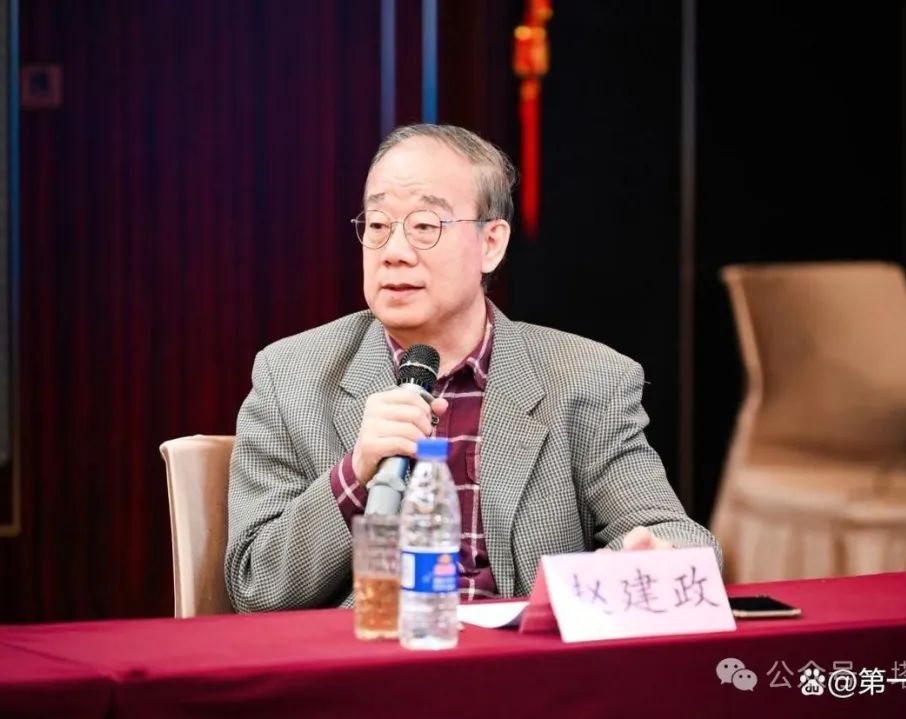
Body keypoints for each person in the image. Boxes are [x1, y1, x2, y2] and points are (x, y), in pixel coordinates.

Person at [225, 123, 720, 612]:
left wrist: (637, 564)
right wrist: (353, 476)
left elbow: (677, 536)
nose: (394, 252)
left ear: (491, 244)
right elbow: (253, 588)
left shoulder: (586, 379)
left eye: (424, 226)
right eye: (377, 226)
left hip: (523, 656)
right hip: (371, 652)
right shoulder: (290, 377)